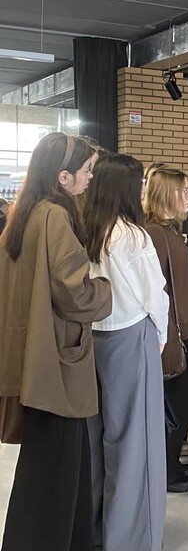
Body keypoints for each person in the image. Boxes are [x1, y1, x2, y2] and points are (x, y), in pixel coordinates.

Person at [0, 132, 112, 550]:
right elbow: (75, 293)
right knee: (56, 473)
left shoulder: (24, 214)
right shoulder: (55, 217)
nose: (90, 178)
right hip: (57, 361)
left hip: (34, 355)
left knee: (54, 470)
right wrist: (105, 289)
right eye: (86, 170)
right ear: (63, 177)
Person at [84, 153, 168, 551]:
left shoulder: (87, 230)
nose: (143, 191)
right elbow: (155, 295)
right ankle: (131, 539)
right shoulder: (132, 235)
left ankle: (99, 532)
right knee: (136, 441)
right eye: (140, 185)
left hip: (93, 338)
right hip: (133, 335)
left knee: (99, 438)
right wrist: (162, 336)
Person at [145, 167, 188, 493]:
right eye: (185, 190)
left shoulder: (171, 230)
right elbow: (158, 291)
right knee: (179, 401)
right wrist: (167, 338)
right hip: (175, 332)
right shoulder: (155, 234)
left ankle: (170, 460)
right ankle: (165, 467)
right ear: (168, 194)